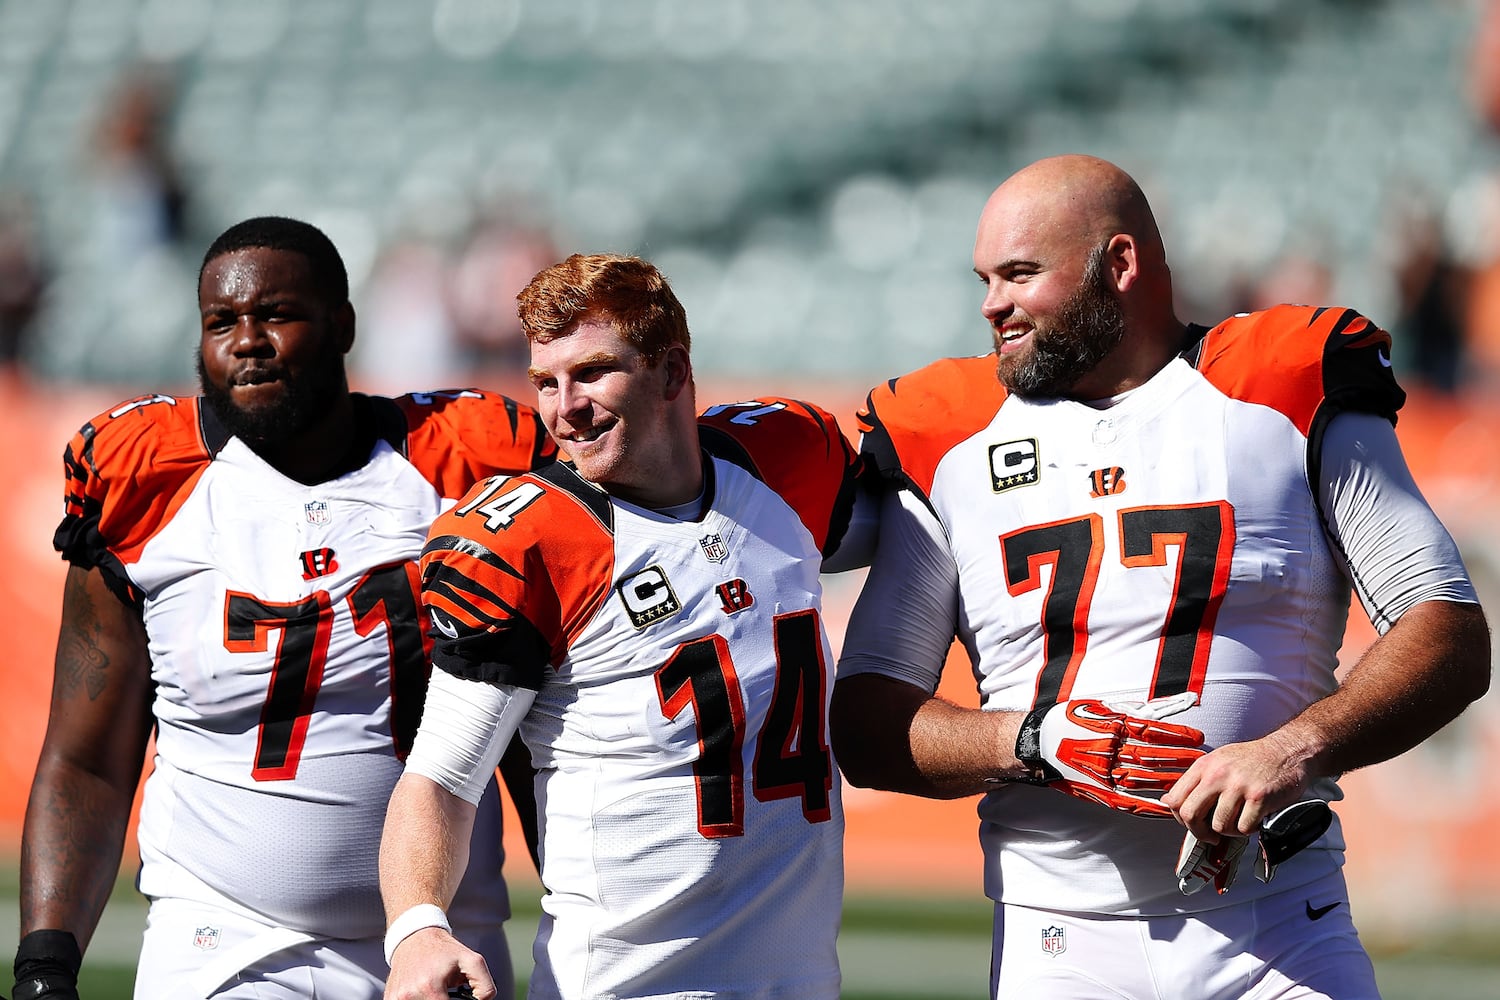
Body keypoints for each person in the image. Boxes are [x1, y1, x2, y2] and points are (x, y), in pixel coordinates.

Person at [831, 154, 1491, 1000]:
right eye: (986, 278)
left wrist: (1286, 752)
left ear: (1120, 263)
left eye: (1021, 274)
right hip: (1059, 939)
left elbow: (1450, 633)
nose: (993, 303)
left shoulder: (1281, 386)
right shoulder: (947, 435)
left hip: (1281, 923)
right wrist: (1029, 740)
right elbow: (867, 723)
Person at [12, 216, 556, 1000]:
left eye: (276, 315)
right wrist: (45, 963)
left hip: (434, 942)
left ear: (342, 325)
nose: (248, 340)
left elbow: (531, 732)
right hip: (220, 945)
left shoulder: (461, 468)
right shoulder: (149, 487)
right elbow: (88, 756)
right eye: (221, 322)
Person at [379, 253, 863, 1000]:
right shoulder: (530, 540)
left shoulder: (786, 462)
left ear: (673, 372)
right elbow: (440, 776)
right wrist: (417, 928)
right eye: (545, 381)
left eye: (593, 372)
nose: (563, 407)